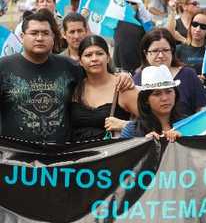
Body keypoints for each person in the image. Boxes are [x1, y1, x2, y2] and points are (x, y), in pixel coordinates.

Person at [0, 11, 133, 143]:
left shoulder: (69, 66)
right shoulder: (4, 67)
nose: (40, 38)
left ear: (53, 37)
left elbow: (98, 75)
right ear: (22, 36)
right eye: (34, 33)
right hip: (16, 158)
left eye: (45, 33)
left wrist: (122, 76)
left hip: (61, 157)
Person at [71, 35, 139, 141]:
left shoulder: (123, 86)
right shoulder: (73, 87)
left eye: (99, 53)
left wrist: (125, 125)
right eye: (88, 55)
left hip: (116, 155)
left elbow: (151, 123)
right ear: (80, 61)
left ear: (108, 57)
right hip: (78, 155)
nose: (94, 59)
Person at [133, 28, 206, 116]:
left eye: (165, 50)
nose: (160, 55)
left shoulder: (188, 74)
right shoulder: (137, 80)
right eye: (155, 51)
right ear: (145, 53)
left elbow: (202, 109)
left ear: (172, 51)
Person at [121, 65, 182, 142]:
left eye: (169, 91)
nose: (165, 98)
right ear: (146, 99)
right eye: (157, 94)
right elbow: (122, 153)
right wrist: (143, 144)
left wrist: (185, 140)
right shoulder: (132, 130)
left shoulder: (189, 123)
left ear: (175, 94)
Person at [176, 9, 206, 103]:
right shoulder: (178, 50)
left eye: (203, 27)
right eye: (195, 24)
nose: (197, 29)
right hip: (184, 102)